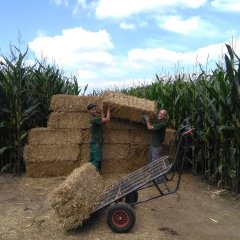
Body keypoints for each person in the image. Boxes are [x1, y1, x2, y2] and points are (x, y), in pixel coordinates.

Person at [87, 103, 111, 172]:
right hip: (96, 142)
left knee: (97, 157)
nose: (94, 111)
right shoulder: (94, 119)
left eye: (95, 109)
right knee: (96, 158)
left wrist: (103, 112)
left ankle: (97, 172)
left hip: (96, 141)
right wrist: (109, 109)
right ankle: (94, 172)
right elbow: (107, 119)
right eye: (92, 110)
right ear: (89, 111)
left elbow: (103, 121)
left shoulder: (95, 119)